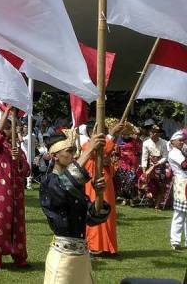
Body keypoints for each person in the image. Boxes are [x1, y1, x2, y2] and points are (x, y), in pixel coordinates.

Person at [40, 131, 111, 284]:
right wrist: (89, 150)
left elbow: (92, 219)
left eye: (74, 150)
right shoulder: (49, 183)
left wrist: (99, 195)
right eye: (69, 151)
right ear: (54, 156)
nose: (74, 155)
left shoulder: (74, 185)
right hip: (62, 258)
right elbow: (64, 185)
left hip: (82, 257)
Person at [0, 107, 30, 272]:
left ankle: (19, 257)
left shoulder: (16, 149)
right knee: (0, 222)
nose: (10, 131)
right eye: (7, 128)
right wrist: (7, 111)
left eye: (11, 127)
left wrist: (19, 160)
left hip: (18, 192)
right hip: (0, 192)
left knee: (18, 225)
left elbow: (27, 171)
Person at [81, 119, 119, 256]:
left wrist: (107, 163)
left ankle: (108, 246)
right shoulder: (86, 145)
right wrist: (112, 135)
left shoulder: (100, 145)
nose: (103, 135)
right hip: (93, 183)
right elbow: (98, 152)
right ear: (92, 132)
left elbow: (107, 157)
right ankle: (94, 245)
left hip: (106, 182)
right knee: (96, 209)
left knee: (108, 211)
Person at [139, 125, 172, 209]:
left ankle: (157, 205)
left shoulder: (164, 142)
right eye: (151, 132)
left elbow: (165, 156)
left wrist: (158, 163)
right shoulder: (146, 143)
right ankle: (150, 202)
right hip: (150, 166)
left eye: (155, 133)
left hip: (160, 166)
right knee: (148, 184)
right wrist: (144, 169)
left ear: (159, 134)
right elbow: (144, 157)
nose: (152, 134)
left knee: (160, 185)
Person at [167, 131, 187, 250]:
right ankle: (175, 240)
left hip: (183, 182)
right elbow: (185, 165)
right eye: (179, 140)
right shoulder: (174, 153)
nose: (181, 142)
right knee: (180, 213)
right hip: (181, 183)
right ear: (172, 142)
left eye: (182, 140)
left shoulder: (180, 151)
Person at [114, 122, 142, 206]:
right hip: (122, 162)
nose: (125, 134)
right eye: (123, 132)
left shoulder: (134, 140)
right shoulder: (119, 141)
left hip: (132, 163)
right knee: (124, 181)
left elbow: (138, 151)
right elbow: (117, 152)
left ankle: (132, 199)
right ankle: (125, 199)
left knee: (131, 180)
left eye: (126, 132)